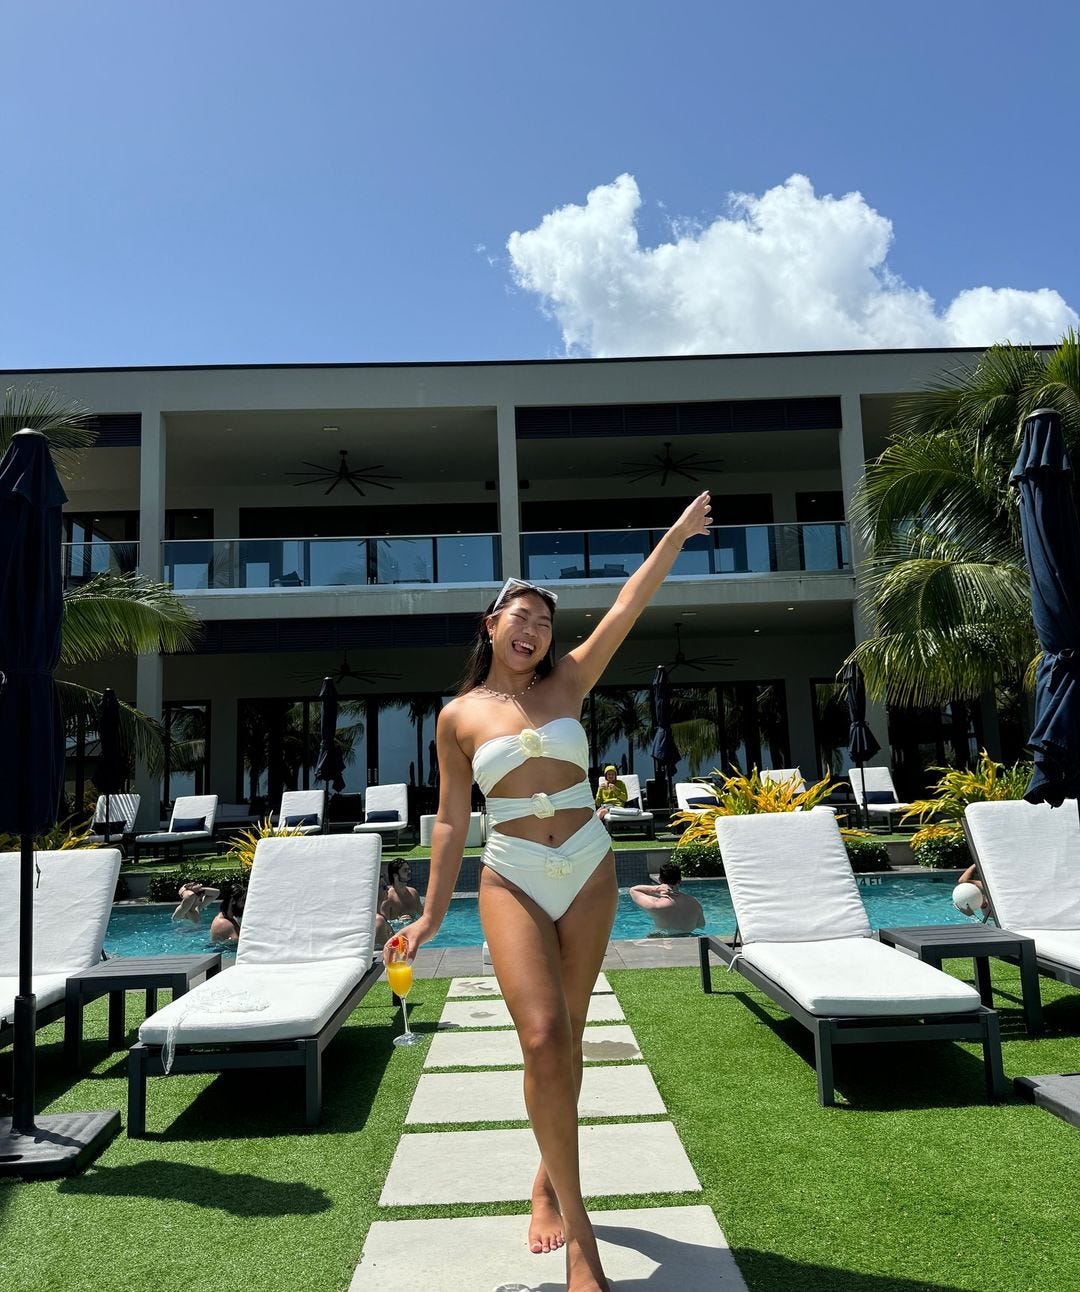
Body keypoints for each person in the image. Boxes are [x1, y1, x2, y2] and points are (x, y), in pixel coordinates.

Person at [385, 491, 711, 1292]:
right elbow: (453, 821)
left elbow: (633, 600)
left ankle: (544, 1182)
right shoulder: (457, 715)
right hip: (513, 877)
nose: (532, 630)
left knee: (570, 1036)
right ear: (490, 625)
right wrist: (430, 914)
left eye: (543, 622)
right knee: (540, 1038)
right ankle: (582, 1237)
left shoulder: (572, 679)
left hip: (591, 871)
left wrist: (673, 534)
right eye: (518, 616)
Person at [629, 862, 704, 934]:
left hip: (666, 942)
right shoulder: (695, 903)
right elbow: (701, 925)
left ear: (660, 879)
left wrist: (656, 889)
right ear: (680, 880)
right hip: (690, 942)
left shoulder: (656, 905)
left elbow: (633, 890)